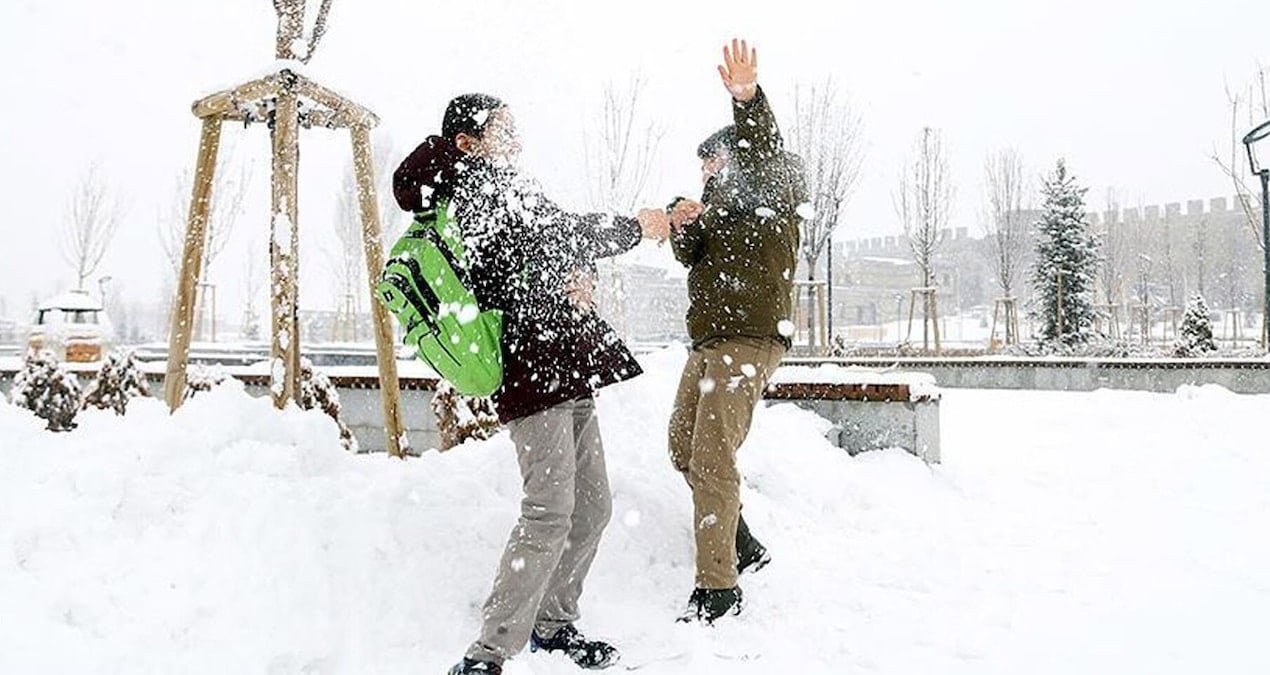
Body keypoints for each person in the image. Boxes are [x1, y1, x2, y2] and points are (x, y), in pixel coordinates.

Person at [392, 93, 671, 674]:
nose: (515, 138)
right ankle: (487, 653)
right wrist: (632, 229)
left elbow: (551, 246)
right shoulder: (471, 190)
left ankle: (554, 623)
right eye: (502, 129)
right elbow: (549, 240)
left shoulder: (505, 186)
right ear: (468, 142)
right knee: (549, 510)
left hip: (565, 363)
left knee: (592, 507)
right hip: (529, 370)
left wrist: (577, 271)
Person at [664, 39, 808, 623]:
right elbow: (690, 256)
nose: (707, 173)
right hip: (710, 342)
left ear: (738, 157)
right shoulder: (718, 210)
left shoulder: (773, 185)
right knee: (683, 447)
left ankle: (718, 588)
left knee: (713, 456)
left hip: (749, 340)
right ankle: (742, 542)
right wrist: (681, 221)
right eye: (702, 167)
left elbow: (764, 148)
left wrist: (746, 99)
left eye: (713, 163)